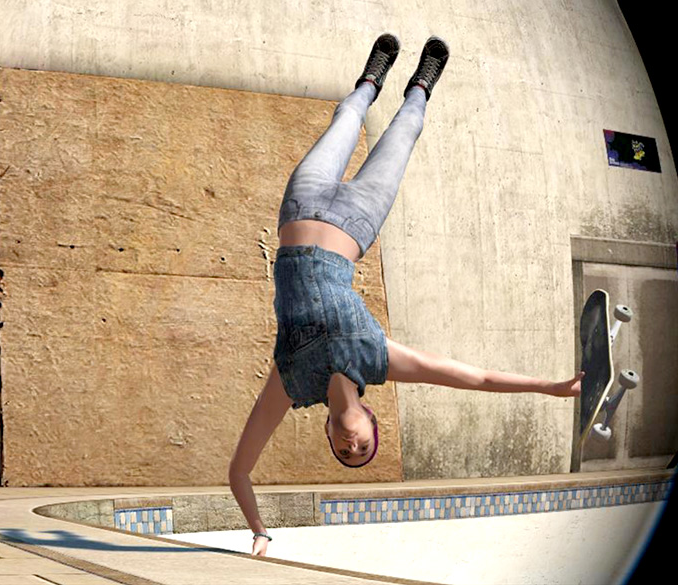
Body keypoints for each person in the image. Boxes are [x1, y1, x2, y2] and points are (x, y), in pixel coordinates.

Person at [227, 34, 584, 557]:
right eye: (362, 450)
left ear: (328, 434)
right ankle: (420, 85)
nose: (352, 447)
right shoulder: (378, 359)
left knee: (346, 117)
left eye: (345, 453)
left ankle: (372, 78)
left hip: (299, 205)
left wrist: (259, 530)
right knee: (404, 133)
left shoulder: (291, 380)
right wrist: (549, 388)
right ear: (372, 423)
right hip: (358, 218)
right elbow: (474, 377)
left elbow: (239, 471)